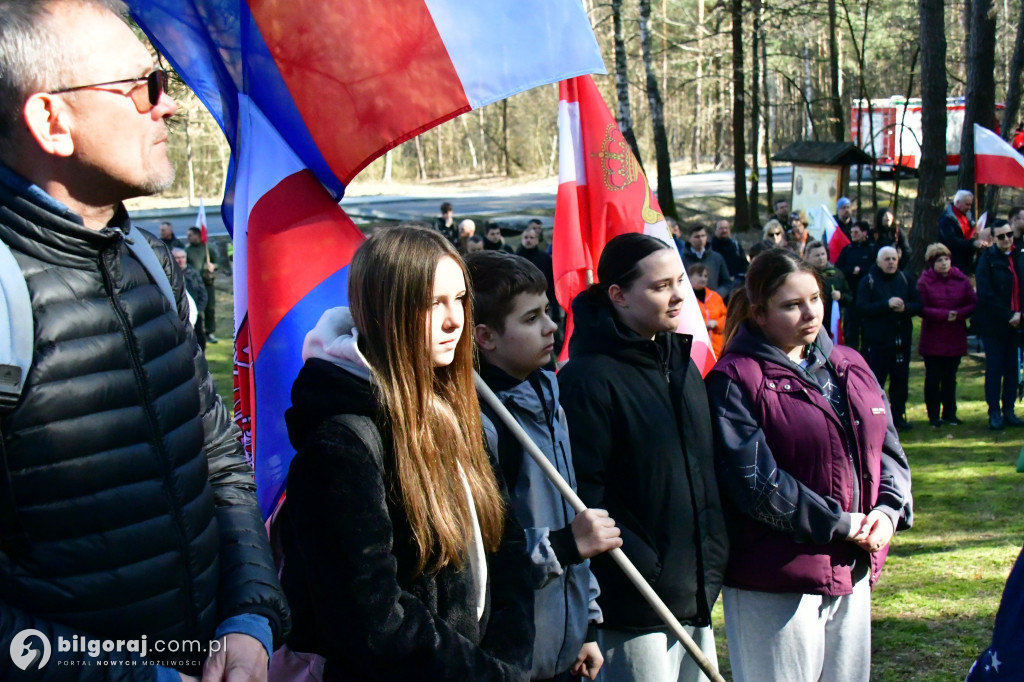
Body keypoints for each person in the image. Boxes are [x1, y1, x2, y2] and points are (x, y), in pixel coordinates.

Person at [0, 0, 289, 677]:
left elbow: (216, 454)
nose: (167, 106)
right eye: (142, 87)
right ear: (51, 120)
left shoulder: (141, 258)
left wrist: (250, 613)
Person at [278, 227, 535, 680]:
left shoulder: (455, 412)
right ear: (384, 312)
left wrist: (508, 662)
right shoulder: (341, 443)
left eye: (460, 299)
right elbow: (371, 621)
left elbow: (505, 547)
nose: (455, 320)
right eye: (433, 304)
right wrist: (488, 675)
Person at [706, 248, 913, 682]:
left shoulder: (849, 363)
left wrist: (888, 512)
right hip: (775, 579)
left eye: (815, 299)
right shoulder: (735, 379)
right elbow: (756, 484)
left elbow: (888, 449)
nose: (809, 313)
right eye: (792, 305)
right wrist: (839, 522)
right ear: (759, 313)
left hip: (852, 566)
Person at [558, 233, 728, 682]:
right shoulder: (587, 381)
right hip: (631, 605)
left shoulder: (682, 364)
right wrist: (640, 568)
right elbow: (582, 495)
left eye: (680, 282)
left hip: (693, 591)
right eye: (660, 287)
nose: (678, 297)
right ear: (618, 295)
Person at [468, 251, 622, 682]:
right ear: (486, 337)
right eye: (531, 318)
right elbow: (480, 555)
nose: (552, 326)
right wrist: (563, 546)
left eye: (548, 311)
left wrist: (587, 624)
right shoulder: (480, 422)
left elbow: (572, 510)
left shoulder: (549, 395)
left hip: (565, 648)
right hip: (512, 657)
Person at [857, 246, 922, 430]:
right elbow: (862, 307)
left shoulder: (905, 279)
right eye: (887, 259)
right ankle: (874, 418)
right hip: (876, 342)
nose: (891, 262)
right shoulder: (868, 281)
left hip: (900, 342)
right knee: (875, 382)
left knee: (900, 381)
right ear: (878, 262)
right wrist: (886, 305)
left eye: (894, 258)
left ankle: (898, 416)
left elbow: (918, 305)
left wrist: (905, 308)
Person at [916, 243, 976, 427]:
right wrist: (942, 315)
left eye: (946, 259)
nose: (944, 263)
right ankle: (933, 415)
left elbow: (973, 302)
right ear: (932, 263)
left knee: (951, 377)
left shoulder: (961, 279)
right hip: (933, 336)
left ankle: (950, 413)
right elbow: (920, 307)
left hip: (955, 334)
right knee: (934, 377)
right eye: (939, 260)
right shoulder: (924, 282)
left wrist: (959, 314)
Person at [973, 222, 1024, 430]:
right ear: (993, 239)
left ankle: (1009, 409)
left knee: (1013, 368)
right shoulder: (987, 259)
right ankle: (994, 411)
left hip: (1018, 322)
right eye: (1002, 236)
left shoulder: (1019, 256)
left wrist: (1020, 315)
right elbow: (985, 294)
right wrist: (1008, 314)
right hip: (995, 323)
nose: (1007, 239)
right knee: (995, 368)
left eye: (1010, 234)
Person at [835, 220, 875, 351]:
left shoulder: (872, 249)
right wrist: (851, 270)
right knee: (851, 328)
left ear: (865, 233)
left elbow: (875, 269)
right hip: (851, 296)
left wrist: (862, 271)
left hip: (868, 295)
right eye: (851, 232)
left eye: (856, 232)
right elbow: (838, 268)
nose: (853, 234)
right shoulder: (847, 250)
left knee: (867, 330)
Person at [805, 240, 852, 340]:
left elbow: (850, 298)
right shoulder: (804, 276)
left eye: (823, 254)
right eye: (817, 255)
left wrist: (841, 296)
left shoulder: (836, 274)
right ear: (807, 257)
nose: (821, 258)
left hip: (833, 323)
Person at [516, 225, 560, 327]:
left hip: (543, 299)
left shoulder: (545, 258)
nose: (528, 240)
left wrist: (555, 307)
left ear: (537, 240)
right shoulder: (515, 258)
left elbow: (551, 282)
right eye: (526, 238)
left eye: (531, 238)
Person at [937, 190, 985, 273]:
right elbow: (951, 240)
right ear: (958, 202)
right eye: (967, 204)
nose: (969, 207)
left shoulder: (967, 214)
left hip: (966, 259)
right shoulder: (946, 219)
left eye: (970, 205)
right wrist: (972, 244)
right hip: (952, 260)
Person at [679, 222, 733, 296]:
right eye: (697, 237)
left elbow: (727, 283)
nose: (701, 239)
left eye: (703, 236)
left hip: (714, 303)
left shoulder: (716, 258)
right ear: (689, 238)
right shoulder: (681, 260)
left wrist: (716, 295)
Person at [186, 225, 219, 343]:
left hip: (207, 283)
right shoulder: (187, 251)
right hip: (194, 285)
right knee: (196, 309)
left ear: (197, 235)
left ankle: (210, 332)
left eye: (190, 235)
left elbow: (218, 262)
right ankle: (195, 332)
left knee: (210, 308)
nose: (188, 237)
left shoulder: (207, 248)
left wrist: (213, 266)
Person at [689, 263, 727, 359]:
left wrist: (716, 323)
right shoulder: (687, 299)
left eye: (705, 276)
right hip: (697, 350)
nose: (703, 279)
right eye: (699, 275)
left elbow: (727, 318)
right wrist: (704, 325)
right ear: (689, 277)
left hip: (718, 349)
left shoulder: (715, 297)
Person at [173, 246, 208, 350]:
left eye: (183, 257)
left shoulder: (193, 273)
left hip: (195, 313)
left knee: (199, 338)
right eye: (177, 258)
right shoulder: (170, 275)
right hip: (178, 314)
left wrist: (199, 310)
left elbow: (203, 293)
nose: (180, 260)